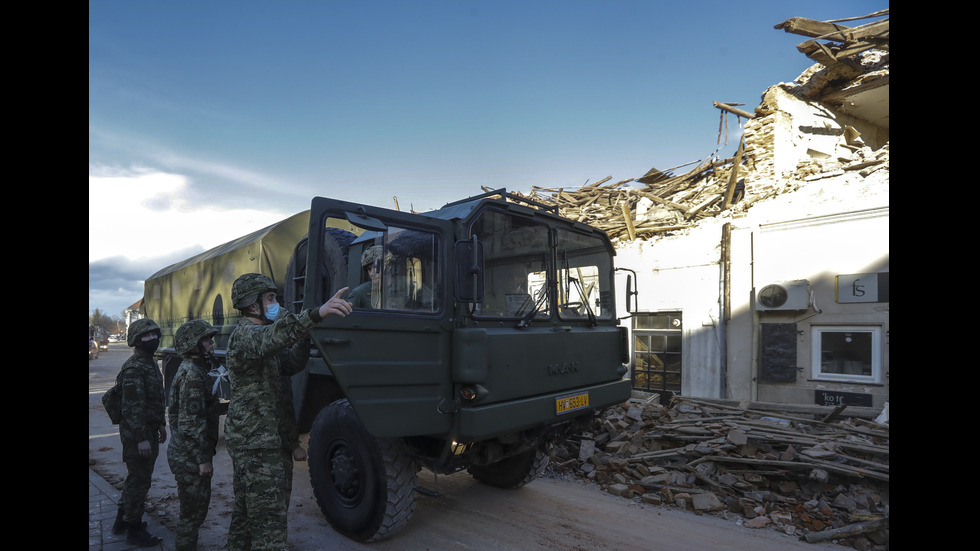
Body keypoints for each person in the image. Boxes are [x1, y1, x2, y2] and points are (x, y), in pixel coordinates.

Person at [224, 273, 352, 551]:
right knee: (269, 525)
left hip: (269, 439)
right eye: (270, 298)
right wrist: (316, 314)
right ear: (252, 304)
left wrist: (304, 334)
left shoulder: (263, 339)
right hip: (254, 443)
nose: (276, 304)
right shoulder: (246, 335)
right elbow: (273, 337)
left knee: (248, 516)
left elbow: (292, 363)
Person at [111, 318, 168, 547]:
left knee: (136, 478)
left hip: (148, 429)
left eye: (154, 334)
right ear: (136, 340)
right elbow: (133, 407)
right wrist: (142, 438)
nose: (152, 339)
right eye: (146, 336)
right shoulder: (134, 367)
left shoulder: (150, 362)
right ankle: (134, 528)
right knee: (140, 481)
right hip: (137, 435)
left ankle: (121, 520)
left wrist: (161, 424)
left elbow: (155, 399)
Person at [167, 319, 222, 551]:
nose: (211, 343)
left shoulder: (195, 369)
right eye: (206, 339)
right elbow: (191, 423)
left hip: (187, 453)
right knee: (191, 516)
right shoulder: (192, 374)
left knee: (194, 513)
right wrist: (203, 459)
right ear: (193, 344)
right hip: (189, 457)